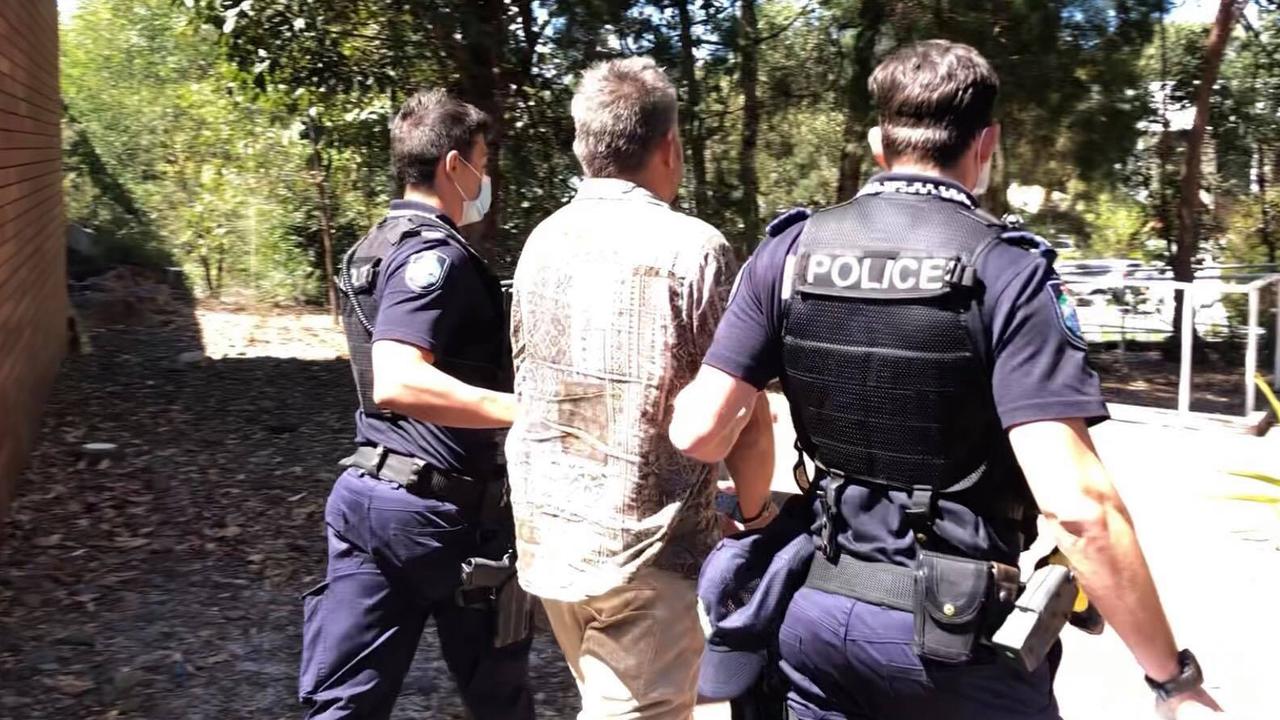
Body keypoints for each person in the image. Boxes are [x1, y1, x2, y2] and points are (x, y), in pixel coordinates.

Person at [668, 40, 1223, 720]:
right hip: (953, 642)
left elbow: (697, 429)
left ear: (879, 142)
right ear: (985, 143)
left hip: (813, 611)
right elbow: (1081, 512)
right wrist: (1169, 677)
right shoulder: (1008, 272)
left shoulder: (787, 252)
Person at [504, 56, 776, 720]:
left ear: (580, 144)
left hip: (552, 542)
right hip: (645, 551)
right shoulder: (694, 249)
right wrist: (757, 507)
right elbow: (739, 405)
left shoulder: (542, 241)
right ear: (670, 147)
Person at [298, 89, 534, 720]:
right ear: (454, 166)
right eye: (481, 163)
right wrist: (528, 411)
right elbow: (397, 380)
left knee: (343, 703)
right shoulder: (436, 257)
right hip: (441, 519)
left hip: (369, 501)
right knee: (500, 701)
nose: (485, 179)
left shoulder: (372, 247)